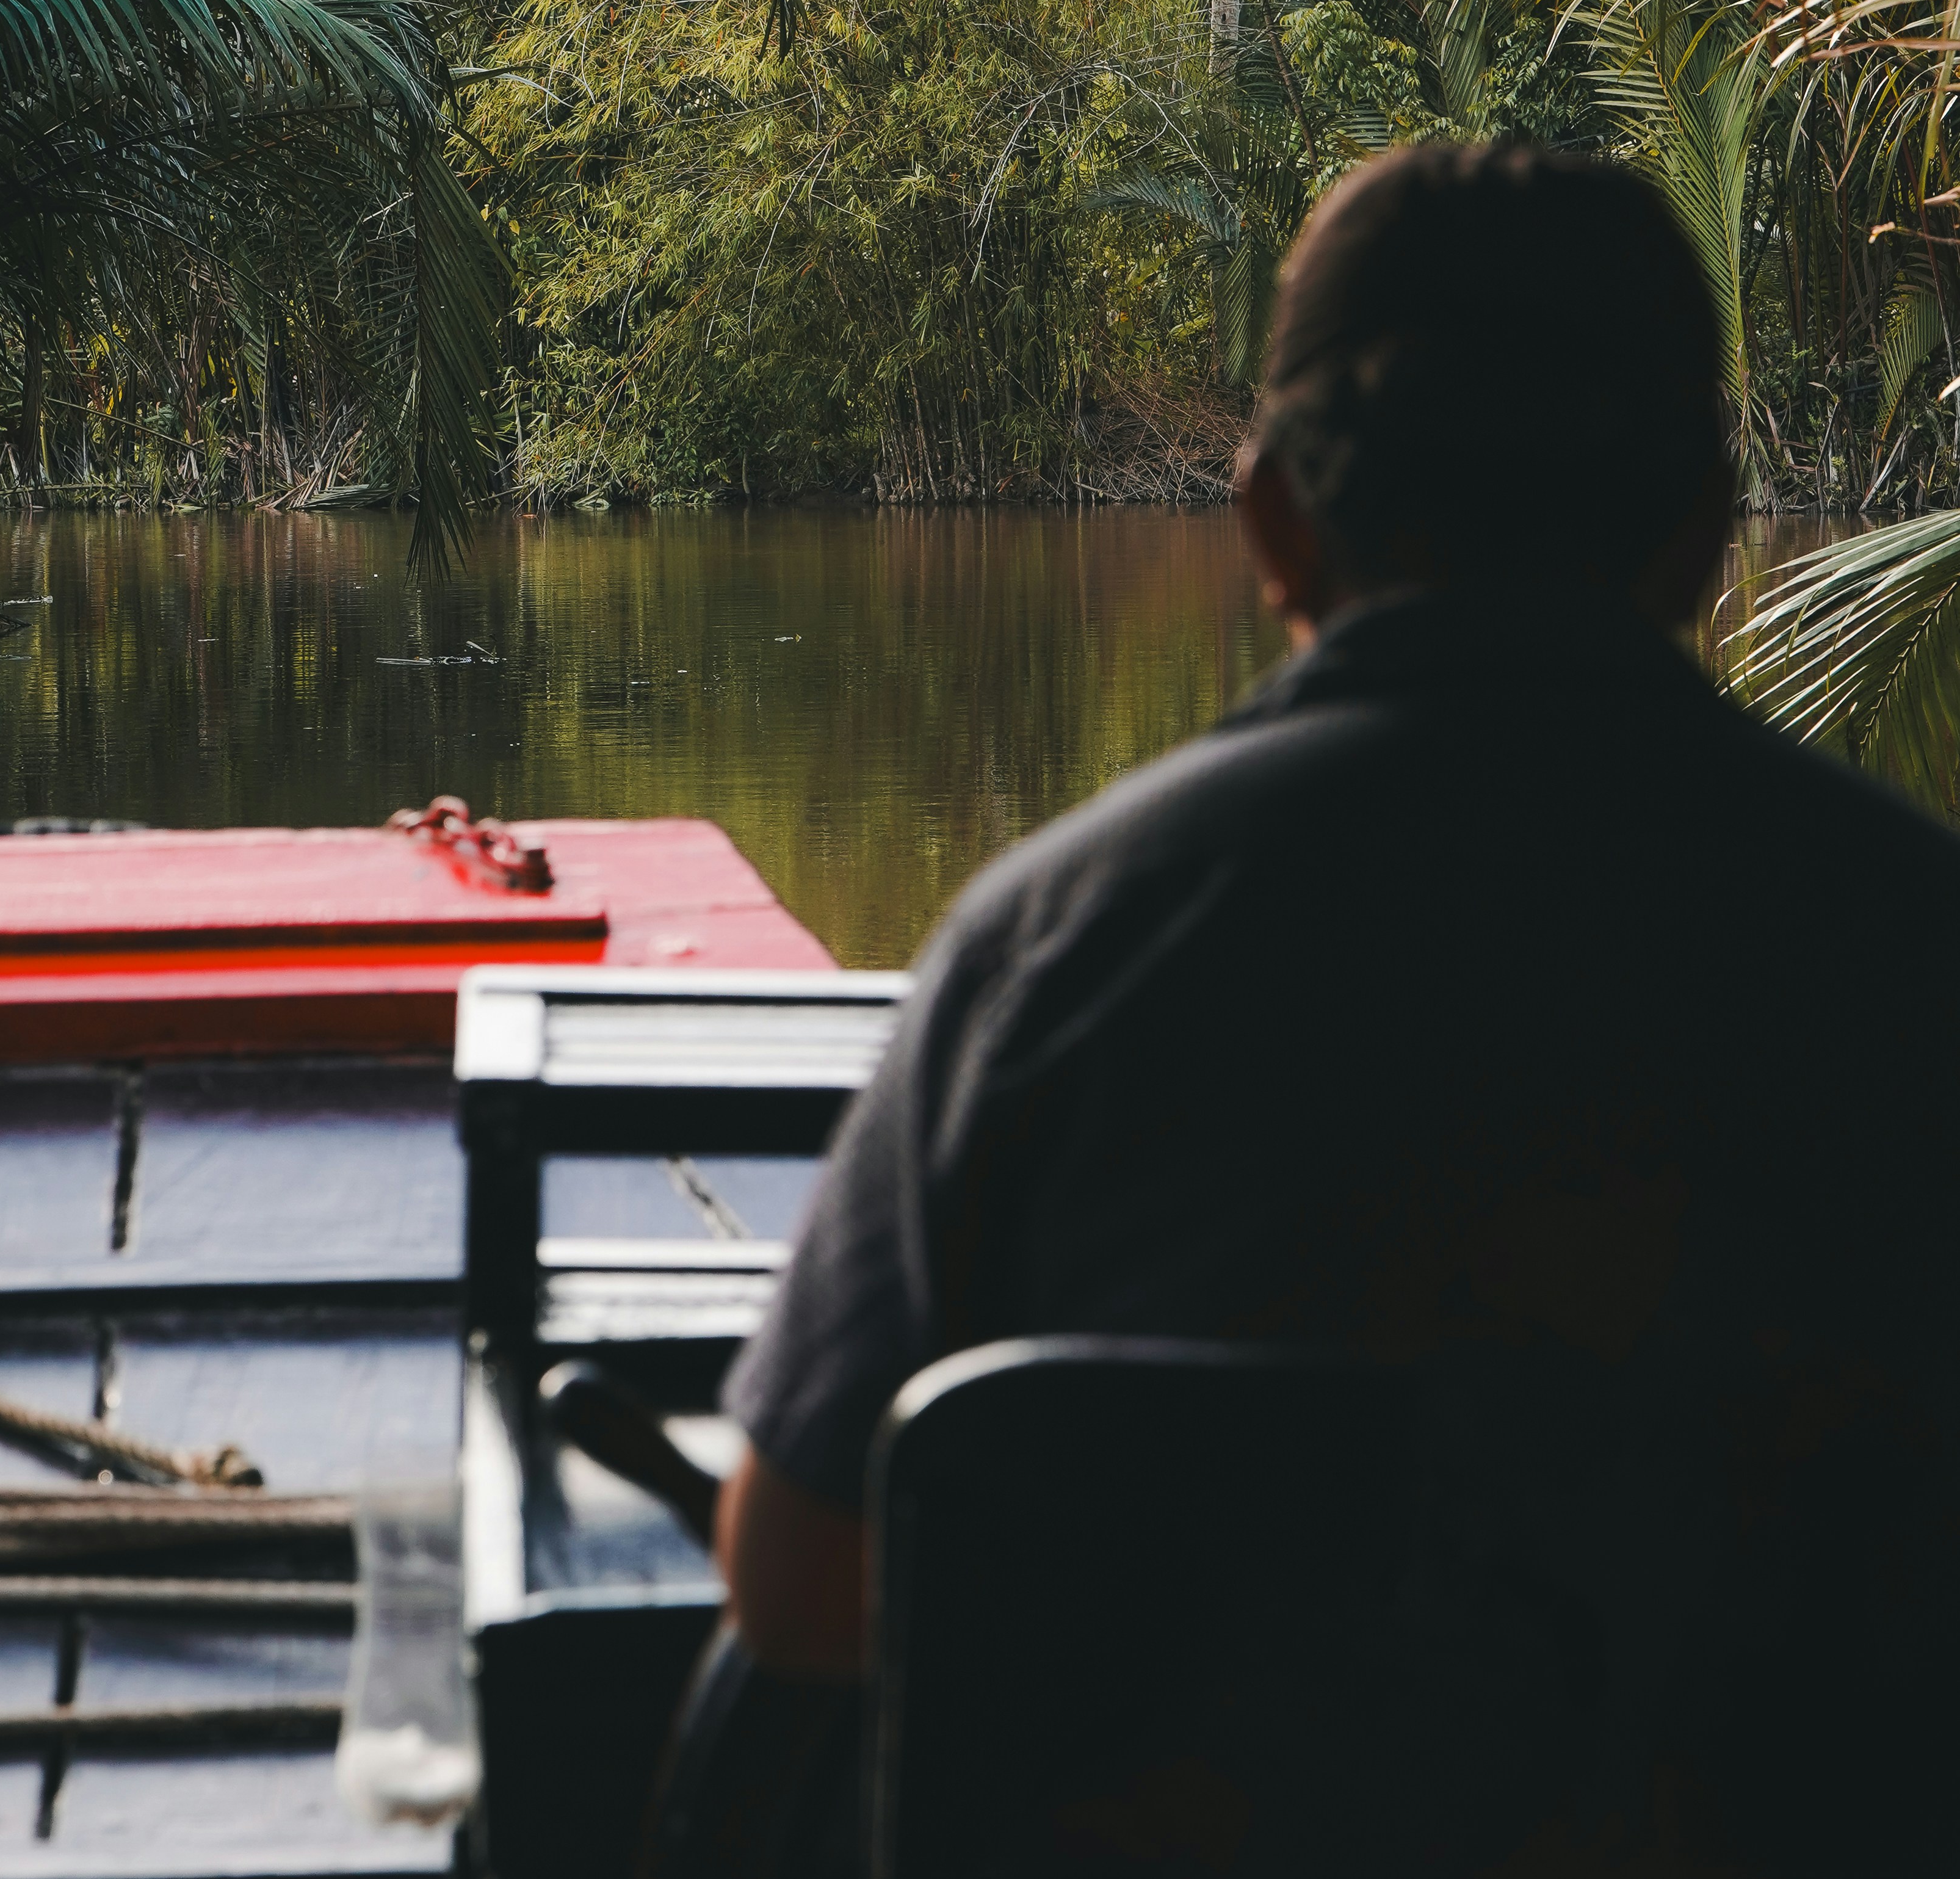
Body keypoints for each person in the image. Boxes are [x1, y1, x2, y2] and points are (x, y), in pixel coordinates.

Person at [711, 142, 1960, 1869]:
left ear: (1275, 520)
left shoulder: (1056, 943)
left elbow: (795, 1581)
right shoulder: (1917, 943)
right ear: (1704, 529)